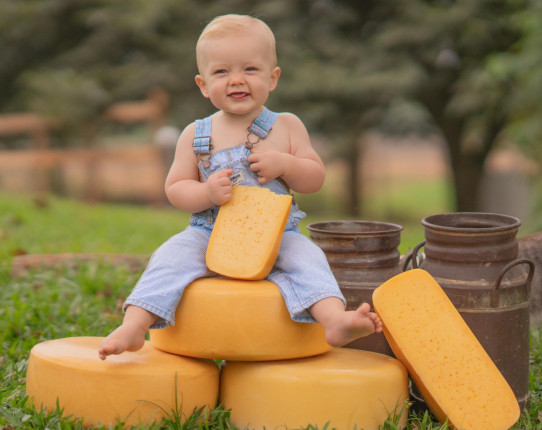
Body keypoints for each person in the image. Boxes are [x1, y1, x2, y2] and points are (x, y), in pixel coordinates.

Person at [98, 14, 381, 360]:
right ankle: (134, 326)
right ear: (203, 85)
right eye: (221, 72)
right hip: (209, 232)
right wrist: (205, 194)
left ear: (272, 78)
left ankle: (334, 320)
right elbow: (175, 188)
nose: (236, 80)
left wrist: (286, 164)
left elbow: (315, 177)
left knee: (308, 258)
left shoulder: (286, 126)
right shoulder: (195, 134)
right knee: (169, 258)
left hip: (276, 235)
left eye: (250, 69)